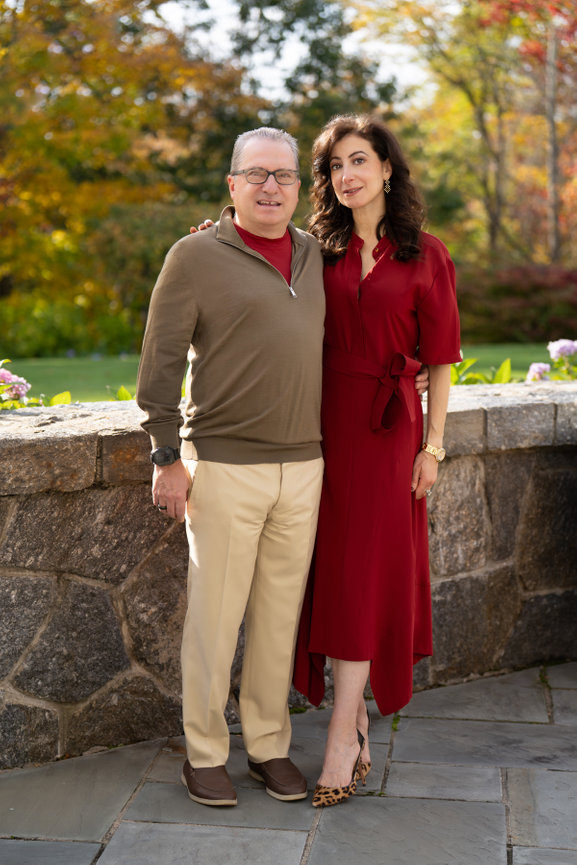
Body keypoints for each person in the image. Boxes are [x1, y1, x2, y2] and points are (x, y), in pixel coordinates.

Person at [136, 127, 327, 807]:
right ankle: (205, 753)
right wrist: (165, 456)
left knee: (278, 619)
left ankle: (269, 746)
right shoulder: (193, 256)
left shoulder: (314, 255)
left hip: (305, 467)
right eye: (256, 175)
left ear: (298, 188)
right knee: (215, 622)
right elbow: (157, 366)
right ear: (232, 185)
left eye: (283, 175)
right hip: (222, 465)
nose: (270, 186)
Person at [292, 114, 461, 808]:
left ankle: (340, 730)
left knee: (362, 575)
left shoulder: (428, 255)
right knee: (331, 574)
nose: (347, 175)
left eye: (358, 160)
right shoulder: (316, 253)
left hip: (390, 435)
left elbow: (444, 359)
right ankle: (354, 715)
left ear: (388, 168)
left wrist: (432, 447)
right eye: (334, 166)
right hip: (319, 428)